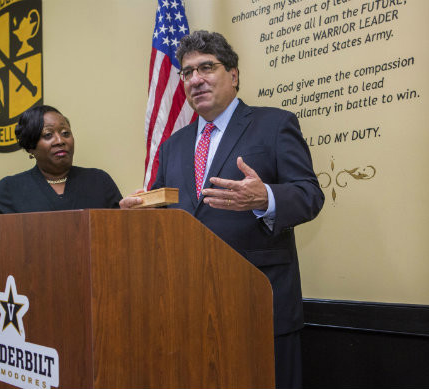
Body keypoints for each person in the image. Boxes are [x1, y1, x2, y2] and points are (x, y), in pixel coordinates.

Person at [121, 31, 324, 389]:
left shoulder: (274, 124)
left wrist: (266, 198)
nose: (195, 79)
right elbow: (165, 210)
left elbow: (309, 195)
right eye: (187, 72)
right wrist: (141, 213)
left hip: (259, 306)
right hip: (190, 307)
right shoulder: (173, 145)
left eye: (206, 68)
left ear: (233, 74)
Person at [0, 105, 122, 214]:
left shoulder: (99, 181)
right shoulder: (9, 189)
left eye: (65, 133)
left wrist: (129, 211)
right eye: (48, 135)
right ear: (30, 146)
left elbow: (122, 231)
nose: (60, 140)